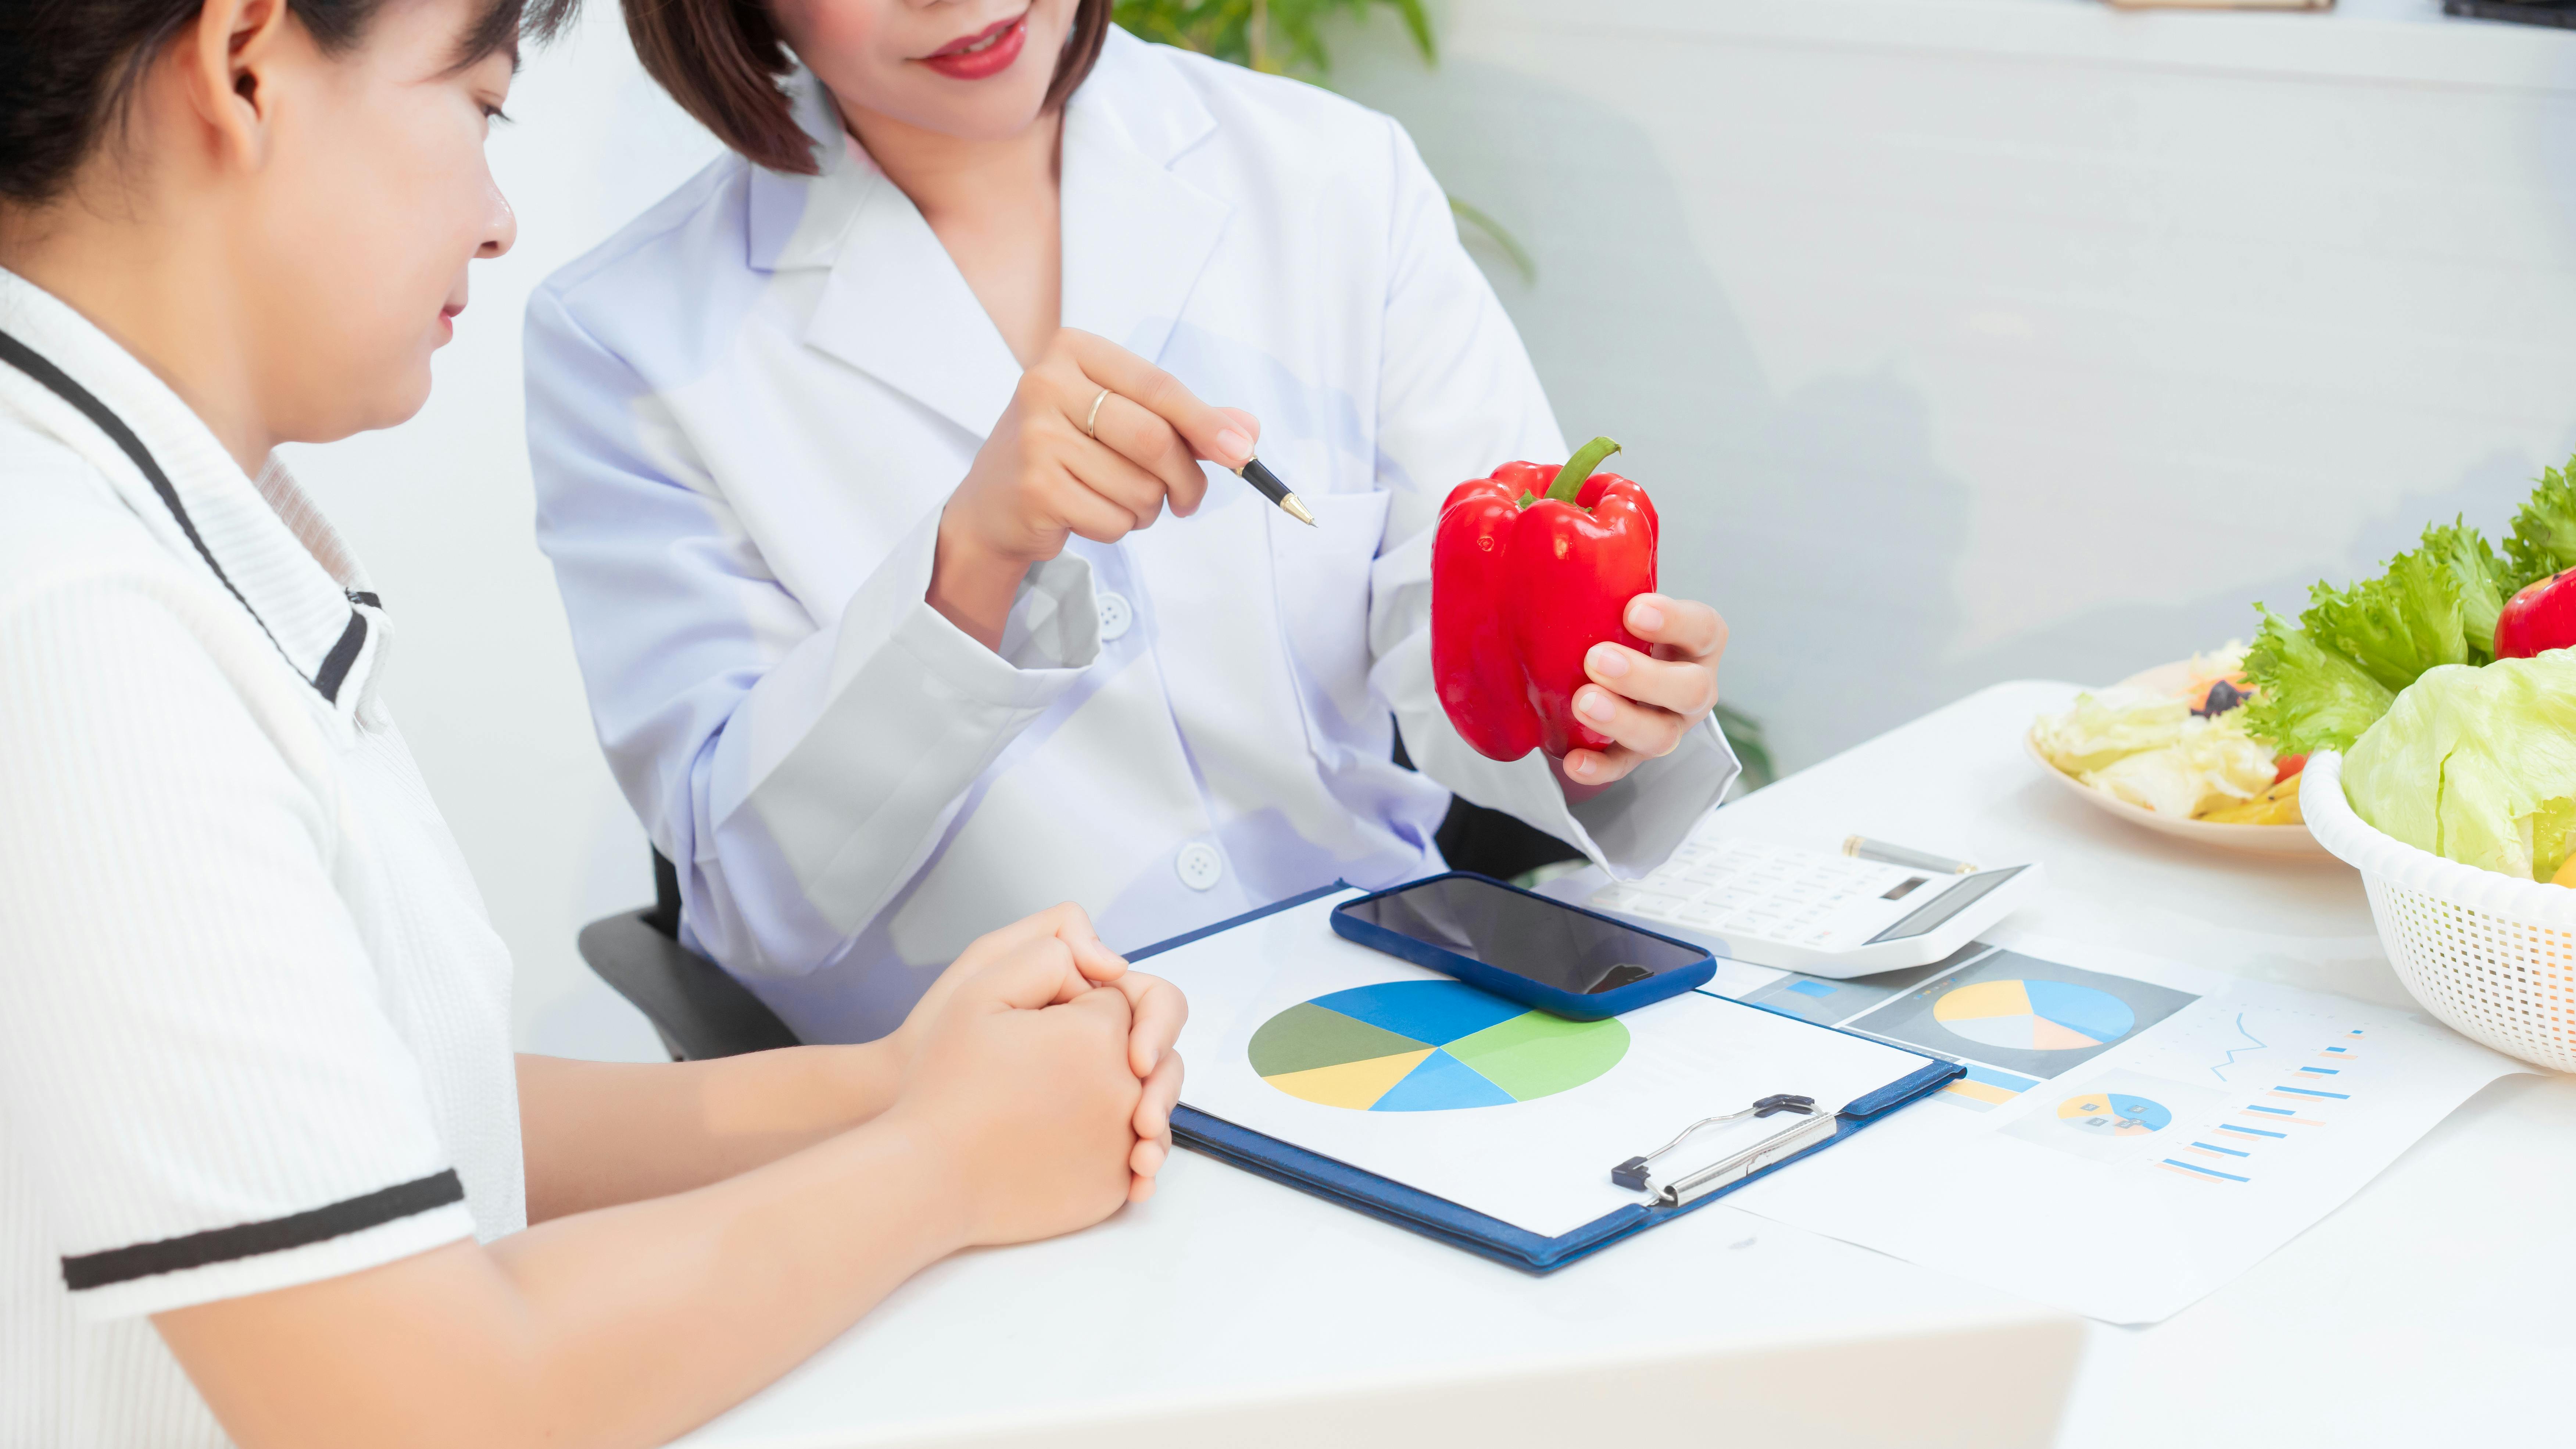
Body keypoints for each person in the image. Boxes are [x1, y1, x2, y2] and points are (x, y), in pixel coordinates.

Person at [0, 2, 1182, 1444]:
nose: (498, 222)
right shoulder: (76, 626)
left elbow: (396, 1104)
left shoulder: (126, 548)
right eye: (480, 104)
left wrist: (891, 1082)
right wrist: (945, 1159)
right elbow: (422, 1408)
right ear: (247, 66)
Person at [523, 0, 1741, 1043]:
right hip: (990, 1103)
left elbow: (1475, 643)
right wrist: (970, 567)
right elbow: (750, 903)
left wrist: (1603, 719)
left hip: (1378, 1013)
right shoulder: (629, 340)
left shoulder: (1332, 181)